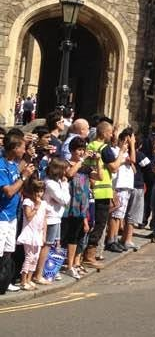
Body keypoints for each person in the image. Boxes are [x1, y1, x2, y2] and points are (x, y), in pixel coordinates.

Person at [0, 131, 36, 293]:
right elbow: (8, 191)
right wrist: (23, 177)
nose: (24, 150)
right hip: (2, 216)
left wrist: (27, 161)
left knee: (8, 251)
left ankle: (3, 282)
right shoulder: (1, 166)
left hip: (12, 215)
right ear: (14, 148)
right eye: (22, 147)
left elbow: (21, 170)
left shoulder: (13, 164)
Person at [82, 121, 118, 268]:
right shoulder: (104, 148)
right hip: (102, 190)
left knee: (91, 223)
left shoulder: (90, 145)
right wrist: (121, 153)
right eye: (110, 133)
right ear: (103, 133)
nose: (111, 135)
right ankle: (89, 256)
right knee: (100, 224)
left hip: (91, 189)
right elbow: (114, 167)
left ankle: (85, 253)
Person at [33, 157, 69, 285]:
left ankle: (49, 271)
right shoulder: (51, 184)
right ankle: (38, 274)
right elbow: (64, 200)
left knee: (53, 245)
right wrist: (65, 185)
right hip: (50, 218)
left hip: (56, 217)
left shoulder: (56, 182)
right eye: (65, 169)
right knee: (46, 246)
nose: (67, 172)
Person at [61, 138, 94, 279]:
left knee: (75, 236)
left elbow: (99, 176)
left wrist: (96, 161)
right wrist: (82, 160)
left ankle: (71, 265)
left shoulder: (85, 167)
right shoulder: (66, 163)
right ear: (72, 150)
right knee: (63, 236)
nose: (81, 152)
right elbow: (69, 174)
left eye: (83, 149)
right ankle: (59, 264)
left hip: (81, 206)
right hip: (68, 206)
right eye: (79, 150)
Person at [105, 128, 135, 252]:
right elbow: (132, 160)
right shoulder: (116, 151)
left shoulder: (125, 153)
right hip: (119, 185)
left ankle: (115, 238)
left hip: (127, 186)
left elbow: (134, 165)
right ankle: (111, 239)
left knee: (119, 216)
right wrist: (131, 146)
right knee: (115, 214)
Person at [17, 179, 47, 289]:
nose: (39, 194)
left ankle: (29, 279)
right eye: (37, 191)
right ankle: (23, 281)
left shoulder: (44, 203)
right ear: (32, 191)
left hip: (38, 234)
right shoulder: (28, 202)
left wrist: (44, 234)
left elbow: (44, 220)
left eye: (41, 191)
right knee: (29, 257)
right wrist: (36, 206)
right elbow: (28, 216)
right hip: (29, 234)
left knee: (35, 257)